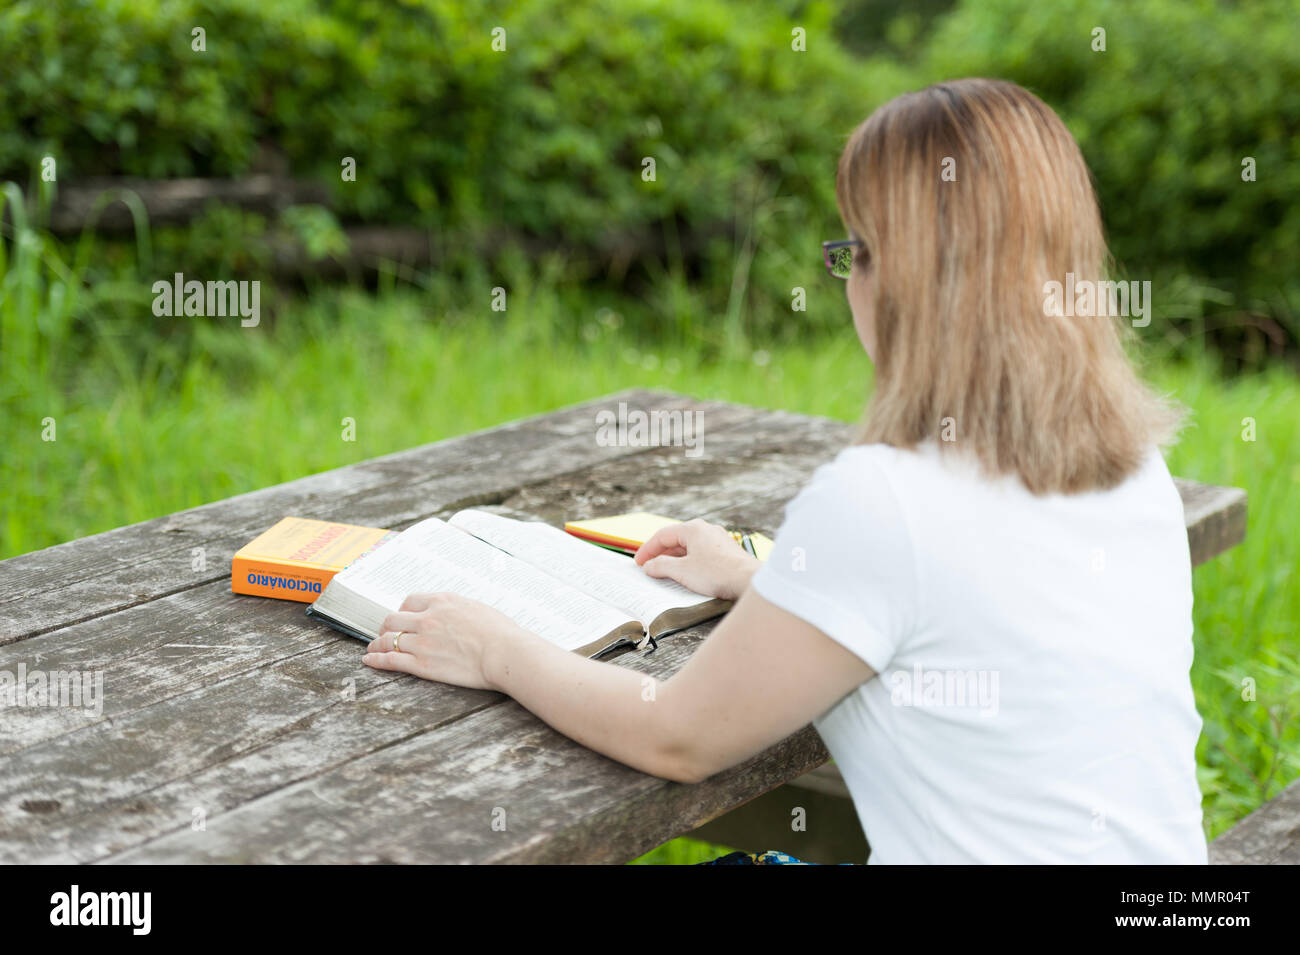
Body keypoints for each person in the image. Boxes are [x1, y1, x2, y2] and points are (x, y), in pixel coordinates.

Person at [362, 78, 1207, 864]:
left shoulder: (886, 499)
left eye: (859, 251)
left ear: (905, 276)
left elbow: (678, 737)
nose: (851, 284)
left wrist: (497, 646)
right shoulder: (1135, 469)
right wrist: (765, 577)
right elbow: (967, 599)